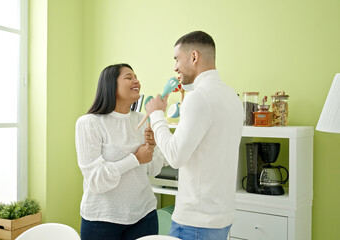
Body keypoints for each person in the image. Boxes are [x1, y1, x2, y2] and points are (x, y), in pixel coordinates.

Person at [145, 31, 243, 240]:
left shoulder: (197, 98)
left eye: (177, 59)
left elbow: (175, 156)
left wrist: (156, 115)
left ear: (194, 57)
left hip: (195, 223)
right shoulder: (232, 97)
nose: (175, 68)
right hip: (222, 218)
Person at [75, 63, 165, 240]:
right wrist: (135, 159)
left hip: (144, 216)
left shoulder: (143, 119)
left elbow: (154, 169)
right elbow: (97, 180)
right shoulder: (89, 123)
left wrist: (152, 147)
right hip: (102, 219)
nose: (136, 81)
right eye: (128, 77)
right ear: (110, 85)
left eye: (136, 77)